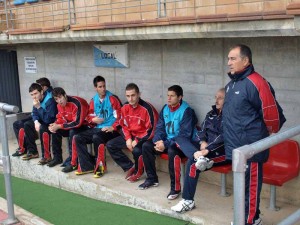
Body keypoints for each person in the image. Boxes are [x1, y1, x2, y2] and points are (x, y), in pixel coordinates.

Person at [223, 44, 286, 225]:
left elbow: (271, 115)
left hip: (251, 148)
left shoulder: (257, 82)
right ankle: (249, 217)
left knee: (250, 187)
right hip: (236, 147)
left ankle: (249, 221)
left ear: (246, 60)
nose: (229, 62)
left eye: (233, 58)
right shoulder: (232, 84)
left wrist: (264, 137)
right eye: (228, 58)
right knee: (241, 186)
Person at [171, 88, 230, 212]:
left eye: (220, 97)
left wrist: (207, 149)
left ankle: (188, 201)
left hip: (222, 152)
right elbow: (201, 131)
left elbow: (224, 137)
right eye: (216, 97)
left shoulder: (231, 116)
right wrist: (202, 142)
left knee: (193, 165)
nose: (216, 100)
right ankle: (197, 156)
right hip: (204, 150)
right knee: (179, 138)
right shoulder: (211, 113)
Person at [139, 85, 197, 201]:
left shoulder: (187, 111)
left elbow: (184, 135)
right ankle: (152, 179)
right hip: (166, 141)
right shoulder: (165, 108)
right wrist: (157, 141)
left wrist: (165, 144)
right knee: (146, 146)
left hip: (182, 144)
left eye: (172, 96)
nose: (169, 98)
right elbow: (159, 128)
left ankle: (175, 188)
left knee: (172, 151)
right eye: (168, 95)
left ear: (180, 97)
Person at [106, 83, 158, 182]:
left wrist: (137, 140)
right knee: (110, 145)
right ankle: (130, 167)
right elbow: (123, 125)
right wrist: (128, 139)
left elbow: (151, 130)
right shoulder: (125, 107)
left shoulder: (147, 108)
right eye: (128, 96)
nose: (130, 99)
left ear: (139, 94)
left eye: (133, 95)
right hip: (132, 136)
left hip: (145, 138)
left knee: (137, 150)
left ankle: (139, 171)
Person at [74, 76, 122, 176]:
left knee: (97, 137)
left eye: (104, 86)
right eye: (100, 87)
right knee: (77, 137)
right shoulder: (93, 100)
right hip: (97, 128)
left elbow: (121, 117)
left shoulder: (113, 99)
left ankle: (101, 167)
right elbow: (88, 117)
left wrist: (112, 127)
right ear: (95, 88)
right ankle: (87, 166)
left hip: (111, 130)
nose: (103, 89)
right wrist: (93, 120)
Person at [48, 87, 90, 173]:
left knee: (72, 132)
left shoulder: (77, 102)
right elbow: (60, 118)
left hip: (87, 126)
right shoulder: (59, 105)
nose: (59, 101)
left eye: (60, 97)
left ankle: (73, 162)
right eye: (56, 99)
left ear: (65, 95)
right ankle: (57, 158)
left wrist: (60, 126)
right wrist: (54, 125)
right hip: (71, 126)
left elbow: (78, 123)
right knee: (55, 131)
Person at [12, 77, 53, 157]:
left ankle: (44, 155)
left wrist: (38, 107)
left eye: (35, 94)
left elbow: (48, 119)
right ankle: (29, 150)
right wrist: (36, 121)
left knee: (33, 126)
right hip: (40, 118)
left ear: (41, 91)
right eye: (32, 95)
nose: (34, 96)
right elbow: (34, 112)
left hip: (49, 120)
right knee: (20, 124)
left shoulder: (49, 99)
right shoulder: (37, 98)